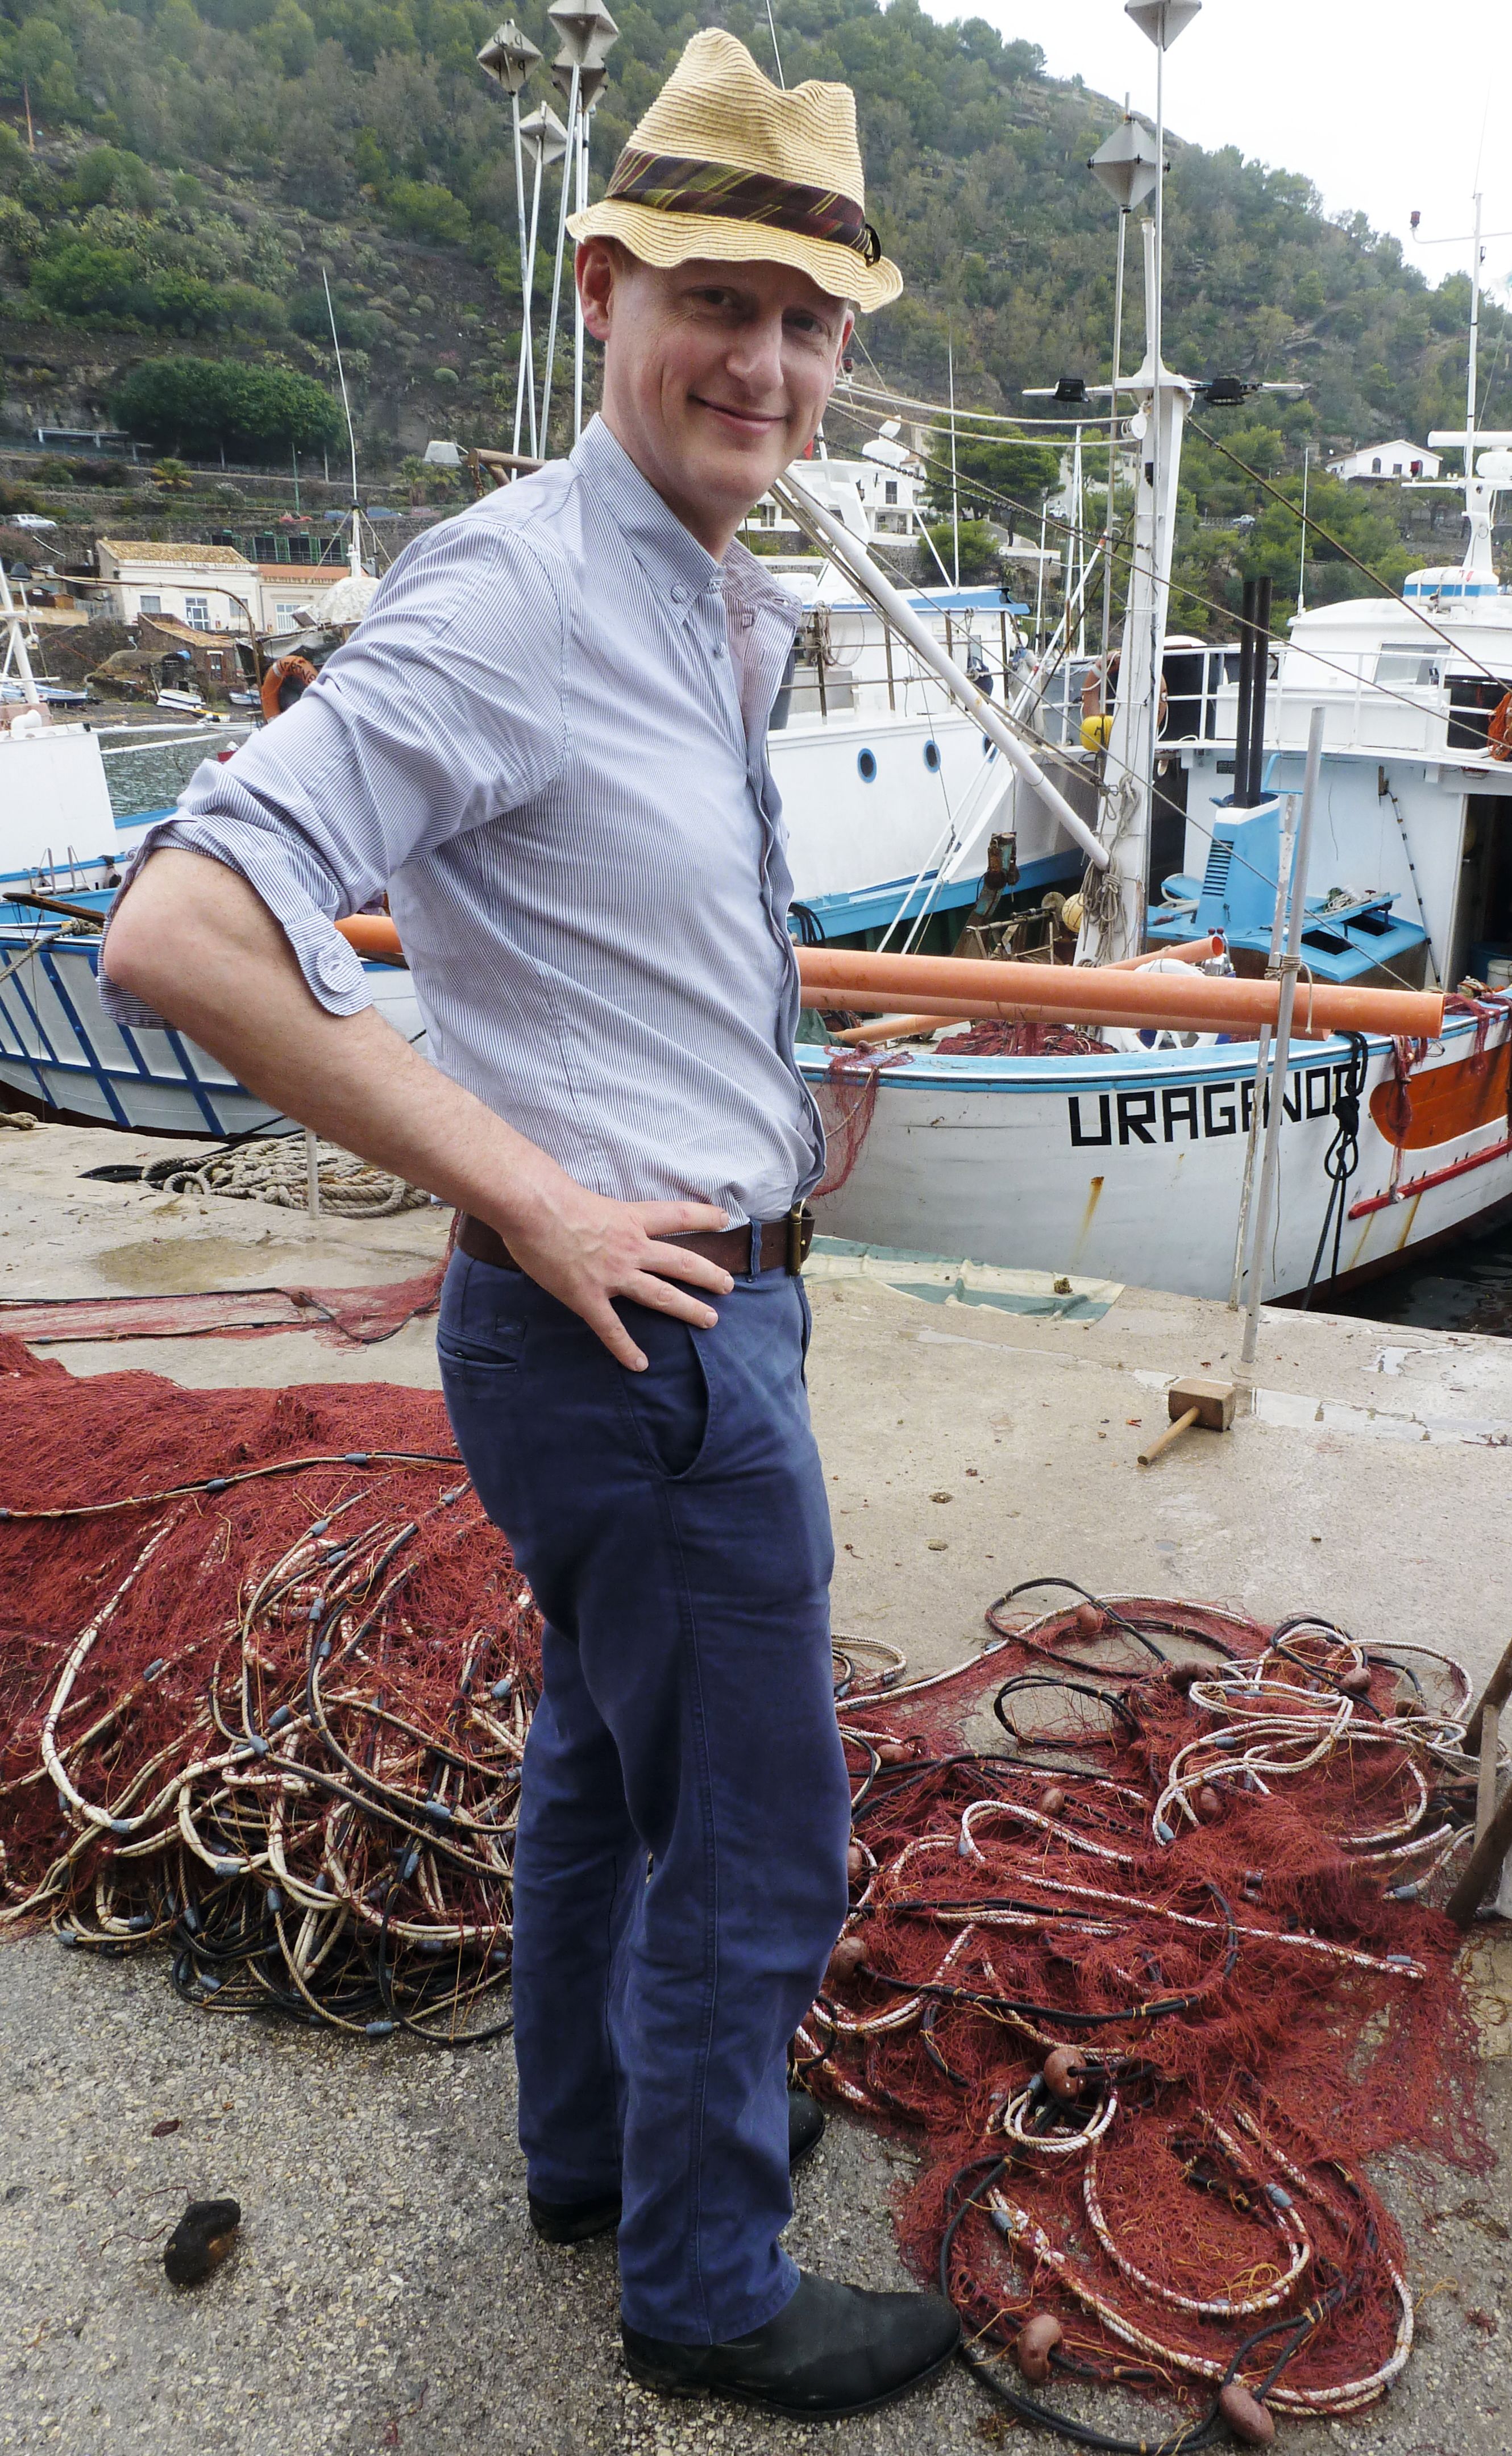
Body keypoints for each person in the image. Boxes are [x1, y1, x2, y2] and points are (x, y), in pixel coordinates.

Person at [99, 28, 959, 2424]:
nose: (766, 363)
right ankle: (703, 2284)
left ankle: (594, 2149)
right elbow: (179, 932)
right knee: (759, 1838)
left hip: (655, 1319)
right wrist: (533, 1188)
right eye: (720, 300)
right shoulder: (521, 593)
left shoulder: (693, 584)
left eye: (810, 324)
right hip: (640, 1336)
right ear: (605, 287)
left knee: (603, 1753)